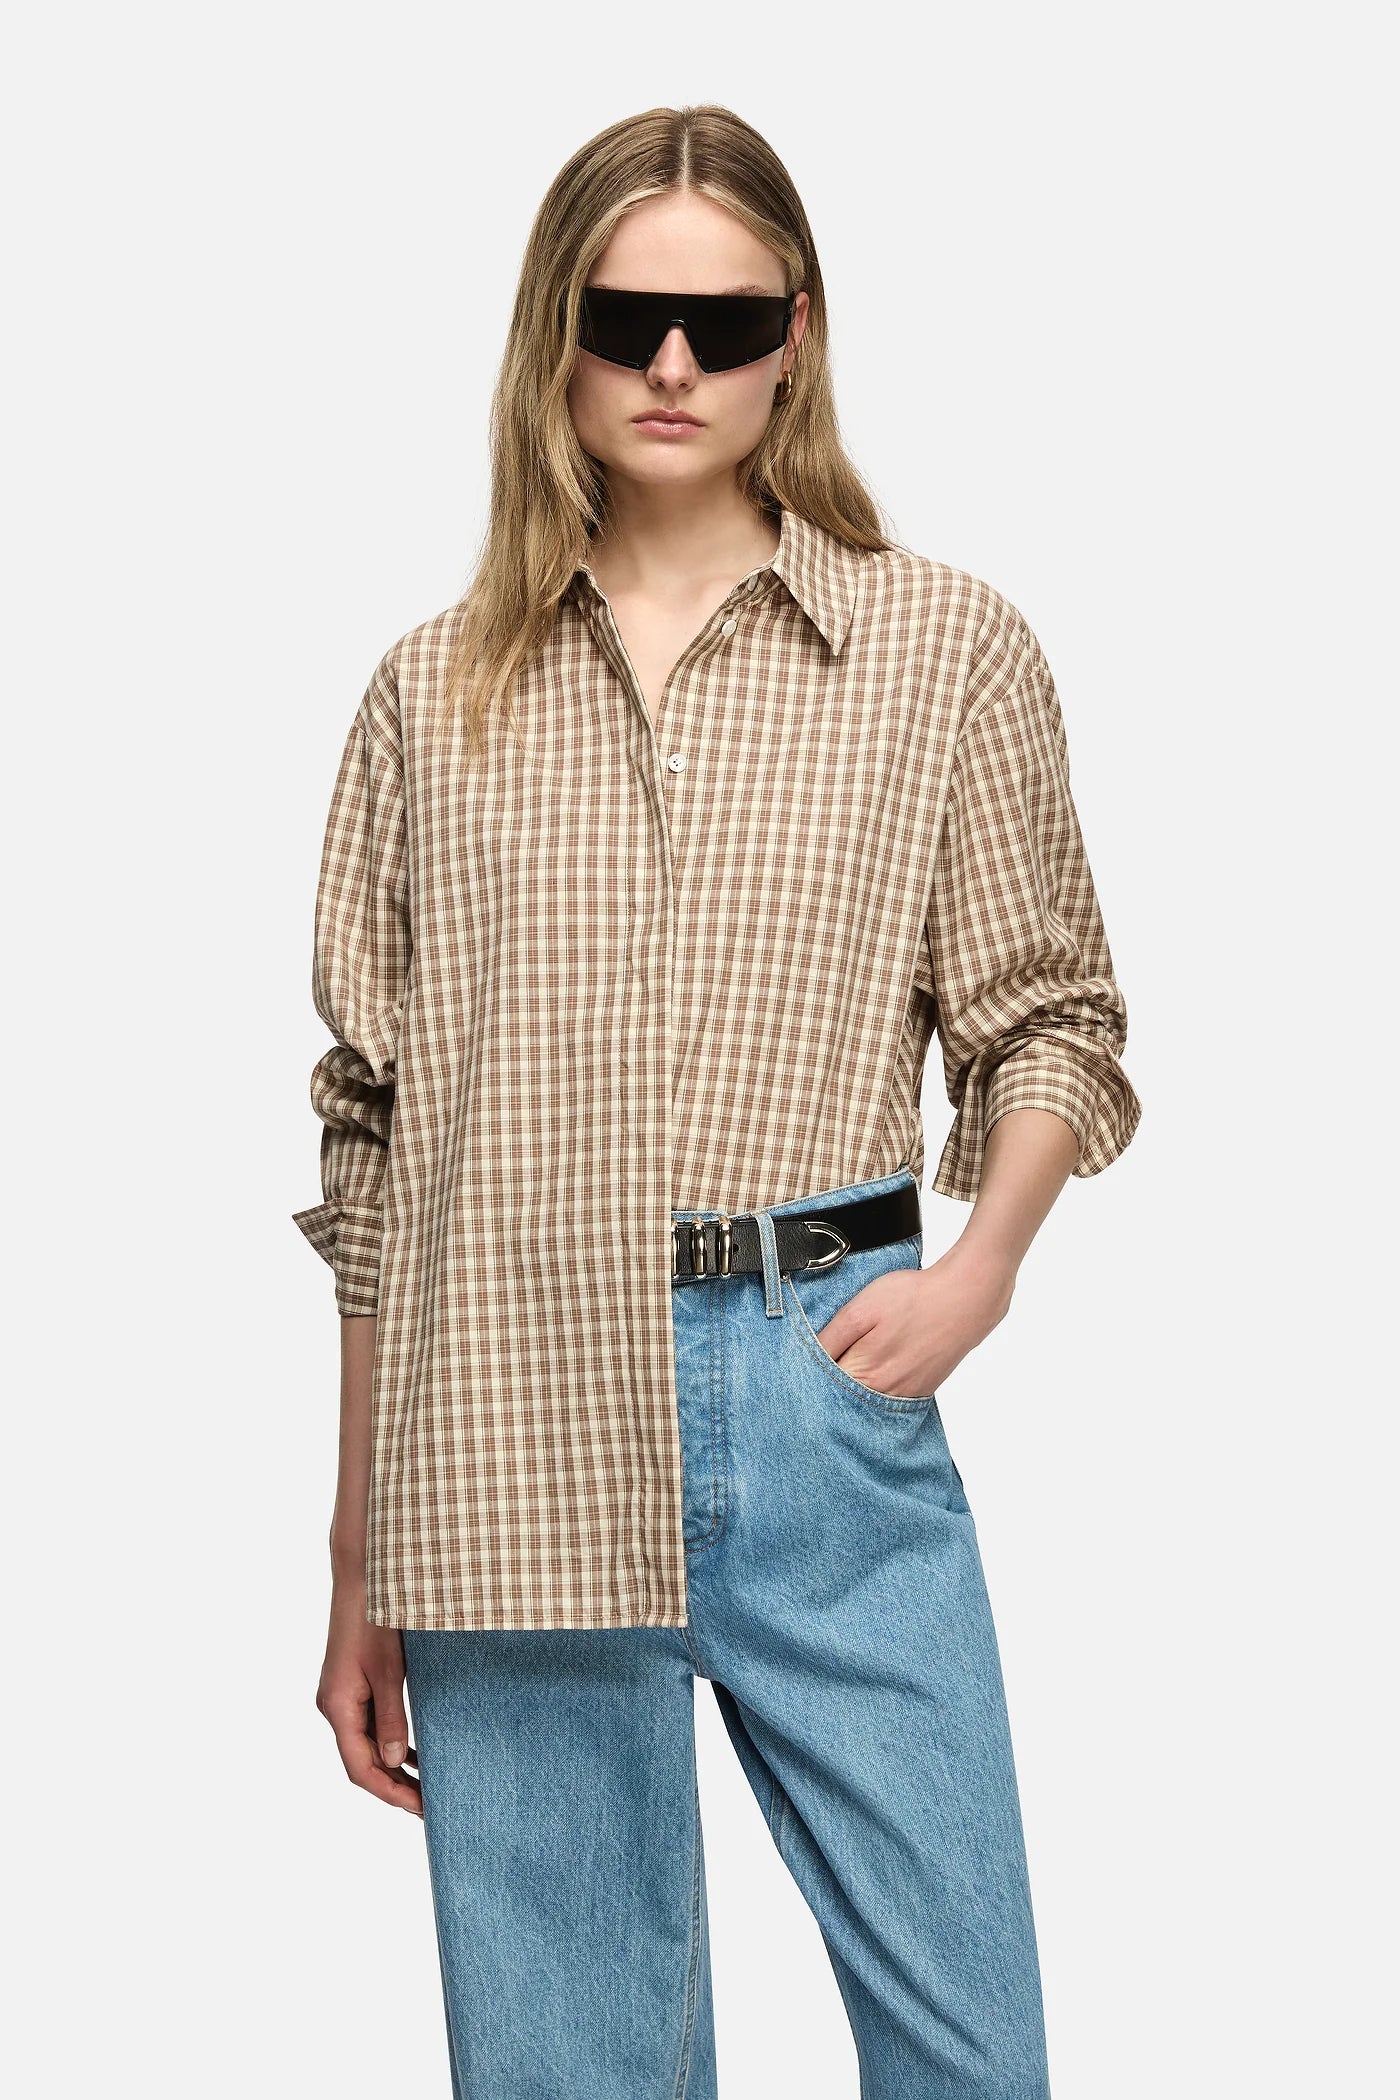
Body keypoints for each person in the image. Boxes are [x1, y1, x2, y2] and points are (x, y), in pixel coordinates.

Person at [293, 102, 1141, 2100]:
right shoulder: (433, 691)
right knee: (571, 2067)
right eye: (623, 318)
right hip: (502, 1404)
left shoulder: (943, 652)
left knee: (970, 2046)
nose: (673, 365)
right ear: (556, 335)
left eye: (727, 321)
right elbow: (374, 1147)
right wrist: (358, 1560)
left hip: (820, 1378)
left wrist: (981, 1274)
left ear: (795, 337)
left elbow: (1050, 1020)